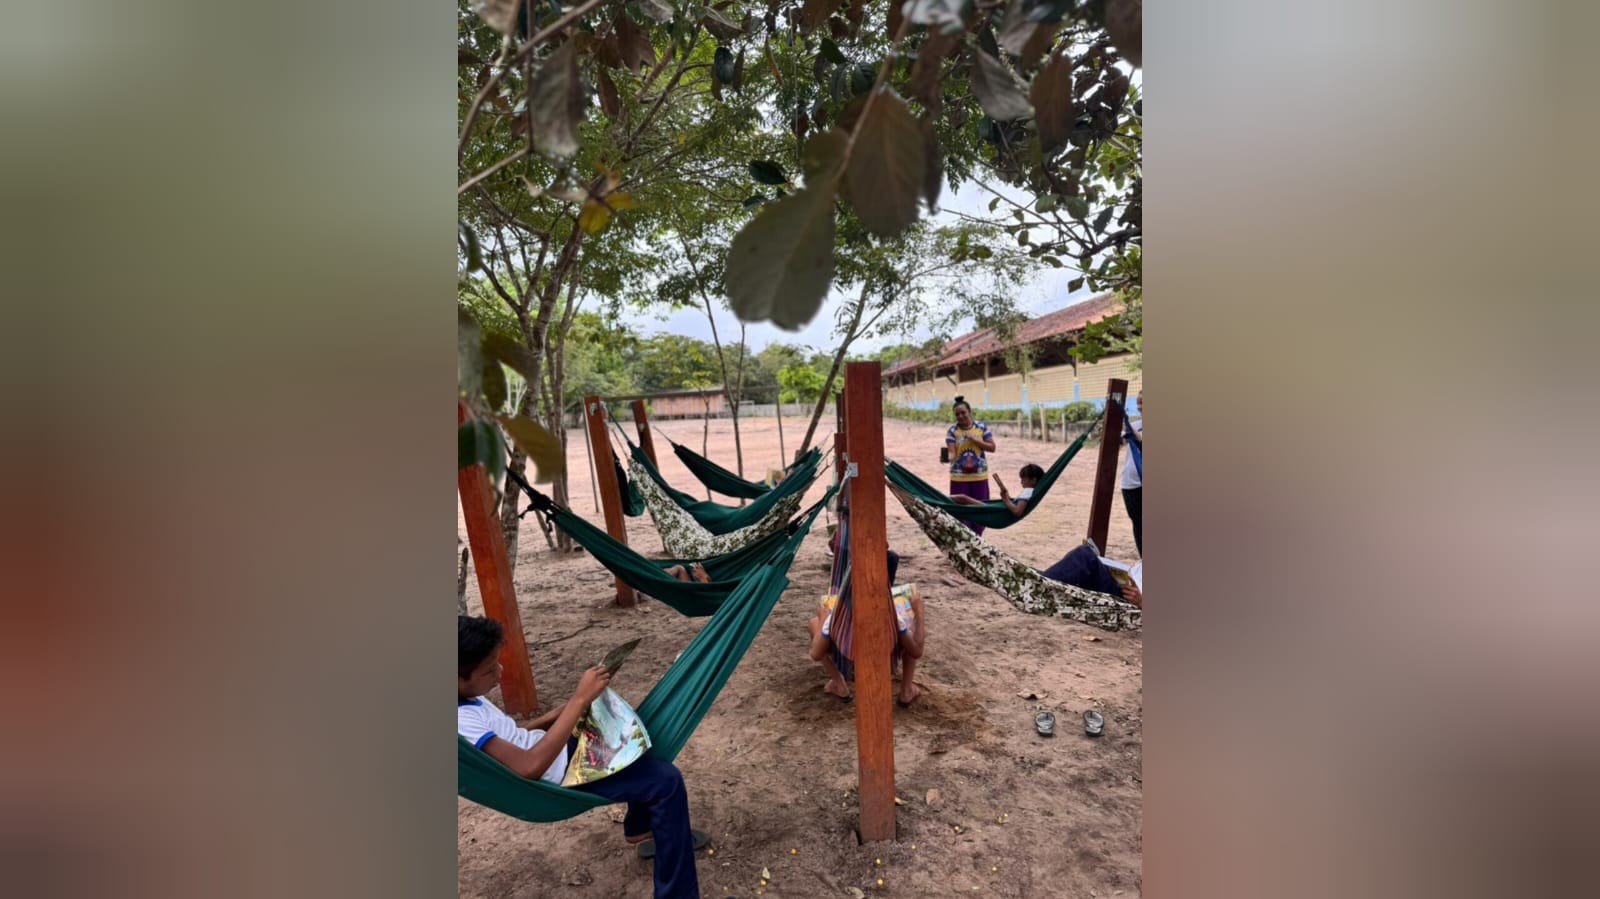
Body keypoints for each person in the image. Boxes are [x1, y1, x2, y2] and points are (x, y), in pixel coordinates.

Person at [458, 616, 704, 899]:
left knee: (634, 733)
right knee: (666, 782)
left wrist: (556, 714)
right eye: (490, 671)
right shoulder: (459, 722)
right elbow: (528, 767)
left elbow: (512, 738)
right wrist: (578, 701)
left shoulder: (468, 697)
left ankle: (641, 827)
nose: (499, 673)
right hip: (563, 773)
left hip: (557, 752)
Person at [944, 396, 997, 535]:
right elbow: (952, 453)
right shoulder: (952, 431)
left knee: (980, 510)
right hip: (958, 478)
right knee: (961, 513)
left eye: (963, 413)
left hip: (979, 476)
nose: (960, 416)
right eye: (957, 414)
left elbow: (992, 447)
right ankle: (966, 541)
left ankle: (978, 541)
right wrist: (946, 458)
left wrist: (976, 440)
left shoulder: (981, 427)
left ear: (970, 412)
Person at [1037, 544, 1143, 607]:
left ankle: (1040, 586)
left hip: (1127, 598)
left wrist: (1140, 603)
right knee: (1081, 559)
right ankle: (1043, 581)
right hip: (1124, 584)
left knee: (1084, 555)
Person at [951, 463, 1043, 518]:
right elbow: (1015, 504)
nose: (1021, 481)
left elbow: (1017, 511)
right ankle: (940, 500)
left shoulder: (1027, 491)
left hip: (998, 512)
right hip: (1000, 510)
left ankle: (938, 500)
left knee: (963, 498)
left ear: (1033, 480)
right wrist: (1006, 496)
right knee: (963, 500)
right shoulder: (1031, 492)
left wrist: (1005, 499)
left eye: (1024, 478)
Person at [1121, 390, 1143, 556]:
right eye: (1138, 403)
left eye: (1143, 403)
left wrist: (1127, 426)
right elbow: (1120, 440)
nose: (1139, 407)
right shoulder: (1136, 425)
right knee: (1138, 523)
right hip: (1131, 483)